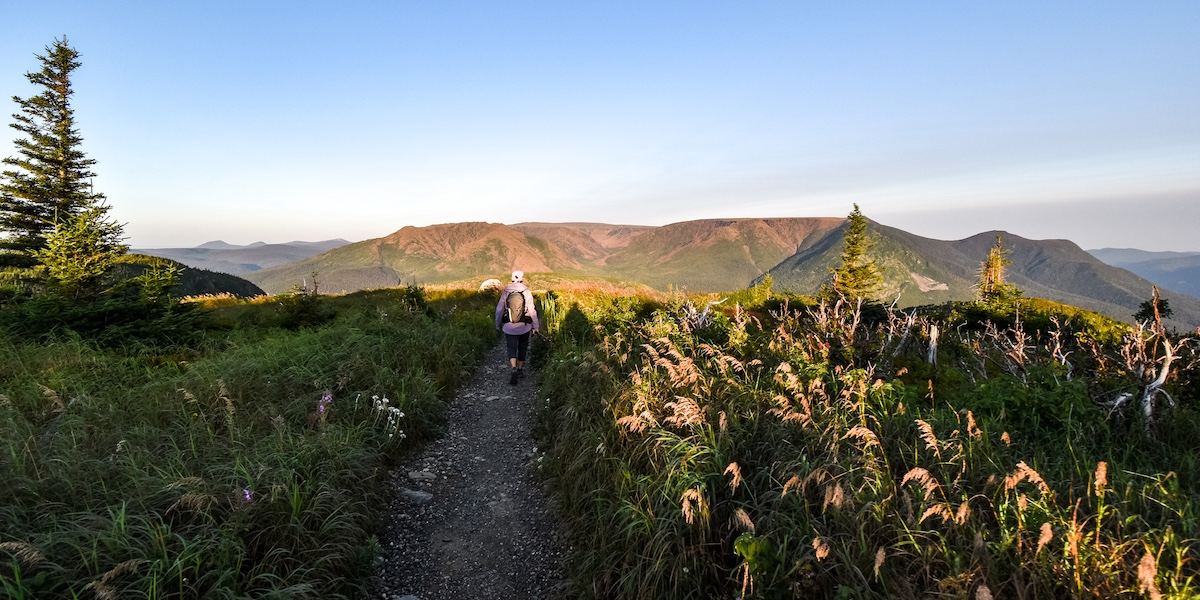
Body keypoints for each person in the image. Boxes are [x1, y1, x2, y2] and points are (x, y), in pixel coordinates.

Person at [495, 270, 539, 385]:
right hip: (524, 326)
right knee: (523, 346)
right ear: (522, 279)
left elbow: (499, 310)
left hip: (509, 327)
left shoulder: (506, 291)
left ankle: (513, 367)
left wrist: (498, 324)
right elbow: (532, 310)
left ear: (511, 279)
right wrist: (535, 326)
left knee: (511, 347)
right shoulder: (526, 291)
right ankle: (520, 370)